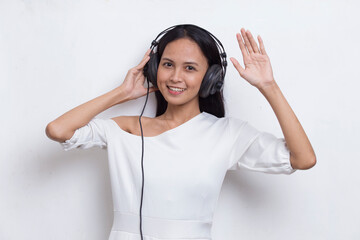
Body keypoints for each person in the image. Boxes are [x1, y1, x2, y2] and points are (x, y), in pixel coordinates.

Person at [45, 24, 316, 240]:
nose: (175, 77)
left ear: (210, 78)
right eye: (167, 64)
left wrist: (268, 86)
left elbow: (303, 159)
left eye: (189, 68)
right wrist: (121, 93)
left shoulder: (227, 134)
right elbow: (58, 130)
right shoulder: (126, 129)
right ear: (154, 69)